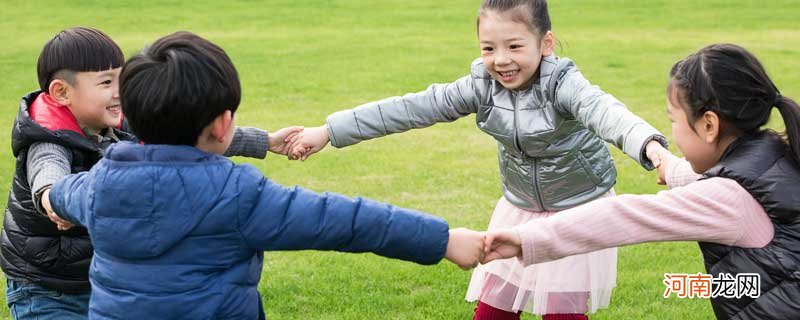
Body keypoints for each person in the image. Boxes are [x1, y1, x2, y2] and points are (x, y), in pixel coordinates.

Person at [45, 31, 486, 320]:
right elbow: (345, 221)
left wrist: (53, 203)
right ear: (222, 125)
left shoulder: (100, 182)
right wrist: (442, 240)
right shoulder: (237, 194)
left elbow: (61, 194)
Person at [284, 0, 669, 319]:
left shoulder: (564, 84)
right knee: (493, 309)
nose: (501, 60)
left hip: (578, 206)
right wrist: (328, 132)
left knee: (562, 312)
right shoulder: (481, 85)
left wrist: (653, 149)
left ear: (545, 43)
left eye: (515, 46)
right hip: (520, 206)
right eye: (489, 48)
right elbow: (410, 108)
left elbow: (607, 113)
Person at [483, 43, 800, 320]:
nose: (672, 128)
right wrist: (667, 164)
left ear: (708, 125)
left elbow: (623, 217)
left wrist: (522, 239)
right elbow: (710, 181)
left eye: (673, 120)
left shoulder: (726, 199)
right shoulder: (775, 155)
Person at [1, 27, 299, 320]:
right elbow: (47, 173)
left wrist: (268, 141)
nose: (119, 92)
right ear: (61, 92)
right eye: (106, 83)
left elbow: (193, 134)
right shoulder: (46, 139)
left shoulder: (120, 123)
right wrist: (51, 197)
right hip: (45, 290)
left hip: (100, 280)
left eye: (122, 78)